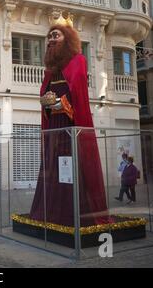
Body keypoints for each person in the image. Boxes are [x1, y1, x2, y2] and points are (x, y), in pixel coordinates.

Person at [29, 21, 110, 227]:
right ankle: (52, 211)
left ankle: (75, 213)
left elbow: (78, 97)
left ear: (68, 39)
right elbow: (46, 98)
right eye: (49, 37)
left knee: (71, 166)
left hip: (70, 126)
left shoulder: (78, 60)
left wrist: (58, 103)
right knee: (53, 167)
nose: (51, 40)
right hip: (54, 127)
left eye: (56, 36)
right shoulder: (50, 70)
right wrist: (47, 103)